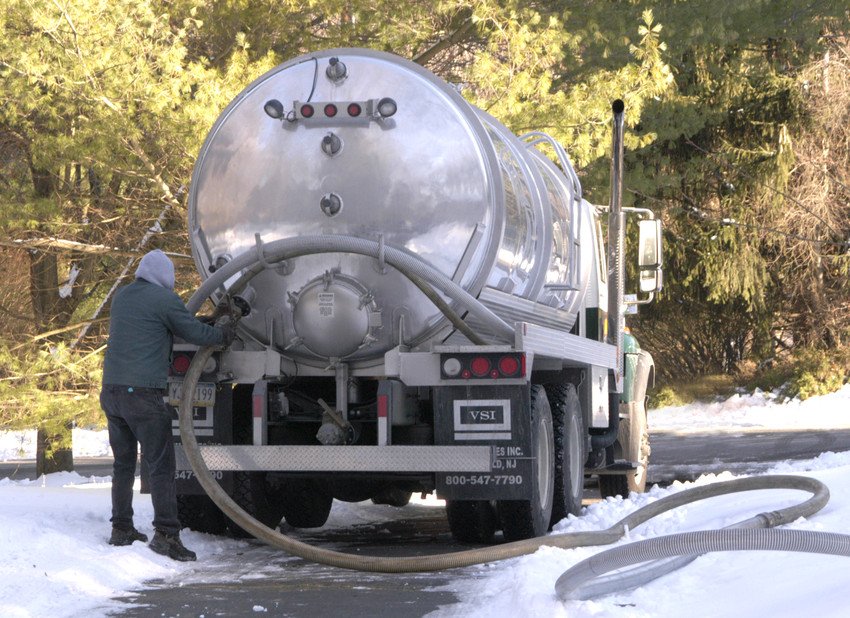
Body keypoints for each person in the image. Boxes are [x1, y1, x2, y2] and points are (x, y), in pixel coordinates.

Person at [100, 249, 234, 561]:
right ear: (165, 276)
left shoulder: (123, 296)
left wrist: (200, 321)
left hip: (112, 392)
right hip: (143, 397)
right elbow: (194, 332)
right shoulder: (164, 300)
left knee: (123, 464)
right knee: (161, 465)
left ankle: (121, 528)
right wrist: (222, 334)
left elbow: (156, 324)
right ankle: (167, 535)